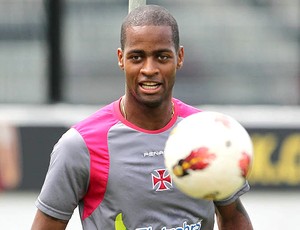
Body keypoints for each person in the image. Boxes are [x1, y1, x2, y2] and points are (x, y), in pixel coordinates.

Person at [31, 5, 253, 230]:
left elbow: (233, 217)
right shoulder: (80, 146)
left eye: (162, 56)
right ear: (121, 59)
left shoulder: (208, 133)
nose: (149, 69)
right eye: (137, 57)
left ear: (179, 57)